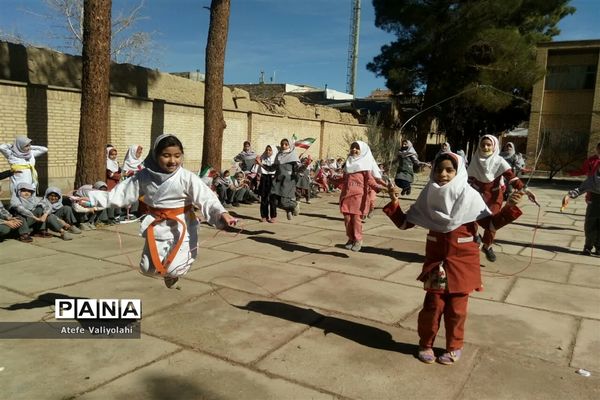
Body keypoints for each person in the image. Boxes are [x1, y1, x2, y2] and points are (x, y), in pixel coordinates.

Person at [383, 152, 524, 365]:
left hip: (462, 264)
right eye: (439, 169)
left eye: (450, 170)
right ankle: (426, 344)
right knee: (432, 307)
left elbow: (491, 225)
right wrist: (394, 202)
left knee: (457, 311)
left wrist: (509, 207)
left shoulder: (471, 196)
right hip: (436, 264)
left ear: (459, 173)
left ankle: (453, 347)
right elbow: (404, 223)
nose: (443, 174)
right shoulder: (428, 194)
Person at [81, 134, 237, 288]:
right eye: (166, 155)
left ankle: (175, 273)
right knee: (147, 269)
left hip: (183, 225)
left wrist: (222, 213)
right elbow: (120, 193)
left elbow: (206, 198)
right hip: (157, 226)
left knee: (175, 269)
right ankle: (169, 272)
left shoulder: (187, 177)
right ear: (156, 155)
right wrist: (92, 201)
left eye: (177, 156)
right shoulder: (143, 176)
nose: (172, 161)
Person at [467, 135, 536, 262]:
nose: (486, 147)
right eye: (483, 145)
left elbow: (512, 178)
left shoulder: (499, 161)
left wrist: (526, 190)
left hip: (494, 198)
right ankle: (475, 236)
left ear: (494, 146)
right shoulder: (475, 160)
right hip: (476, 196)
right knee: (470, 219)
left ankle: (487, 246)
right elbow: (468, 179)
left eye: (489, 145)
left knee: (493, 224)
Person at [340, 141, 384, 252]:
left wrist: (381, 187)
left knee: (356, 219)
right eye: (352, 147)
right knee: (347, 219)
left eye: (357, 148)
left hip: (358, 197)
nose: (354, 150)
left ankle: (358, 240)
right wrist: (333, 179)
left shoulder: (365, 167)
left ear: (363, 151)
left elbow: (370, 180)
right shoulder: (348, 164)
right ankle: (351, 238)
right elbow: (343, 179)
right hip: (346, 195)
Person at [562, 168, 600, 256]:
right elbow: (580, 189)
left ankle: (599, 248)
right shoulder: (592, 179)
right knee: (590, 227)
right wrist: (569, 195)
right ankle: (588, 247)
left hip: (594, 204)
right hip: (594, 205)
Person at [0, 136, 48, 200]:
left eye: (29, 145)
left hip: (30, 179)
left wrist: (30, 146)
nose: (29, 147)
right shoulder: (11, 154)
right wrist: (12, 146)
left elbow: (44, 149)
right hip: (18, 179)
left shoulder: (31, 154)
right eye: (26, 146)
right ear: (20, 146)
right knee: (18, 197)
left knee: (30, 196)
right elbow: (1, 147)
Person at [270, 138, 301, 220]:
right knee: (275, 202)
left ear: (289, 145)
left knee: (284, 203)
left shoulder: (293, 156)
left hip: (288, 182)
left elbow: (299, 169)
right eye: (282, 144)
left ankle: (294, 205)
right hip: (278, 181)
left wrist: (306, 164)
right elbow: (272, 168)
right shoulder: (279, 155)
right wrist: (260, 164)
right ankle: (289, 209)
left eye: (286, 144)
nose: (283, 146)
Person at [256, 144, 278, 222]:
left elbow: (271, 169)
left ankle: (273, 216)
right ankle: (264, 216)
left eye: (270, 150)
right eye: (267, 150)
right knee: (264, 198)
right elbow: (258, 167)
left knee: (272, 198)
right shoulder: (263, 157)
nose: (268, 151)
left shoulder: (276, 159)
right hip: (264, 177)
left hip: (272, 178)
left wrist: (260, 163)